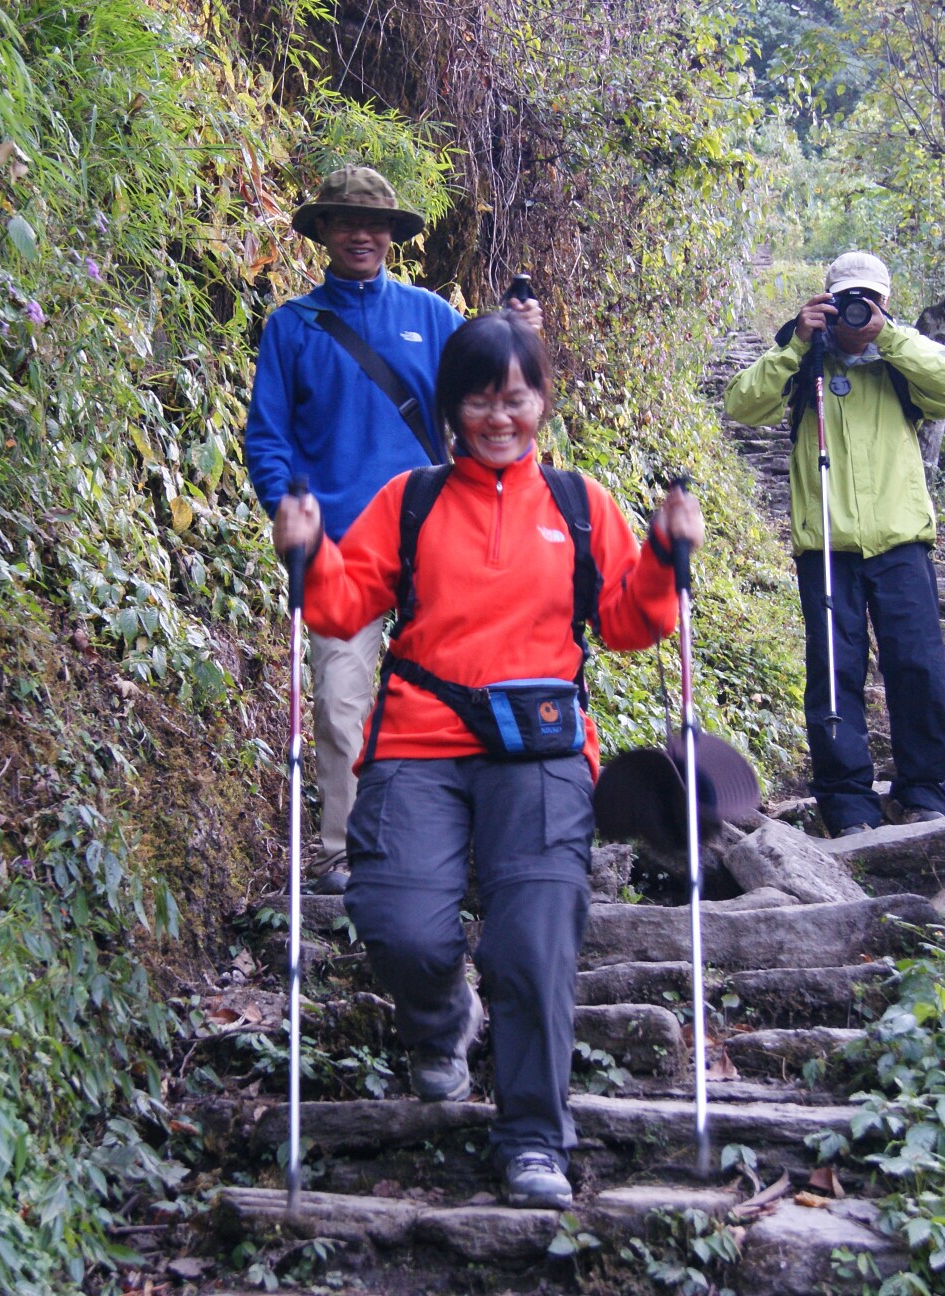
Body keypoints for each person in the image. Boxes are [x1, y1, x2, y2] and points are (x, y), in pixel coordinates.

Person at [272, 313, 702, 1209]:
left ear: (542, 401)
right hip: (419, 742)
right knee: (399, 925)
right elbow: (344, 608)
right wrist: (309, 553)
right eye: (479, 397)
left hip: (541, 751)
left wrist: (664, 551)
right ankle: (441, 1022)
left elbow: (629, 623)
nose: (499, 415)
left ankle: (534, 1137)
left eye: (517, 396)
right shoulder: (413, 499)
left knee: (531, 941)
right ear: (453, 406)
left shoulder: (580, 505)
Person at [247, 166, 543, 895]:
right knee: (342, 700)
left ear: (392, 236)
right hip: (341, 549)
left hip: (436, 542)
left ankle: (464, 849)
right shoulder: (293, 326)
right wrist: (287, 506)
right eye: (345, 221)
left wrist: (518, 336)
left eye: (375, 223)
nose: (361, 234)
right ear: (322, 232)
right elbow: (268, 436)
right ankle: (346, 852)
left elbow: (489, 398)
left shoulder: (433, 316)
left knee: (456, 694)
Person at [722, 252, 945, 837]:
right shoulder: (804, 362)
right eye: (848, 300)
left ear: (884, 303)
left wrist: (894, 338)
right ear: (827, 302)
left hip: (901, 540)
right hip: (827, 547)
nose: (859, 313)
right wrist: (794, 344)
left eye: (870, 301)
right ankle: (847, 802)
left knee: (918, 669)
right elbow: (741, 404)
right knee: (834, 672)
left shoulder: (901, 361)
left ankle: (927, 791)